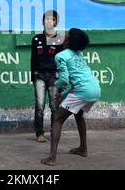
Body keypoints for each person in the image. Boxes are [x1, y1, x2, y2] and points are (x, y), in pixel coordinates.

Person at [41, 28, 101, 166]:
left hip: (82, 91)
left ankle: (52, 158)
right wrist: (63, 94)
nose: (64, 36)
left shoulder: (60, 56)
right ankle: (83, 149)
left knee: (57, 119)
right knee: (79, 115)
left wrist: (54, 85)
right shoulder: (79, 55)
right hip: (95, 89)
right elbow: (74, 82)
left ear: (67, 41)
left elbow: (64, 79)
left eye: (66, 36)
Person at [30, 10, 64, 142]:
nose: (49, 21)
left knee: (54, 106)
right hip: (39, 75)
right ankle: (39, 133)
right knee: (39, 105)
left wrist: (62, 80)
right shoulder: (36, 39)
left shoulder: (60, 39)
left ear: (56, 22)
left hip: (54, 76)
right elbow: (33, 59)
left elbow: (62, 61)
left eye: (52, 19)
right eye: (46, 19)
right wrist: (33, 77)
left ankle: (54, 131)